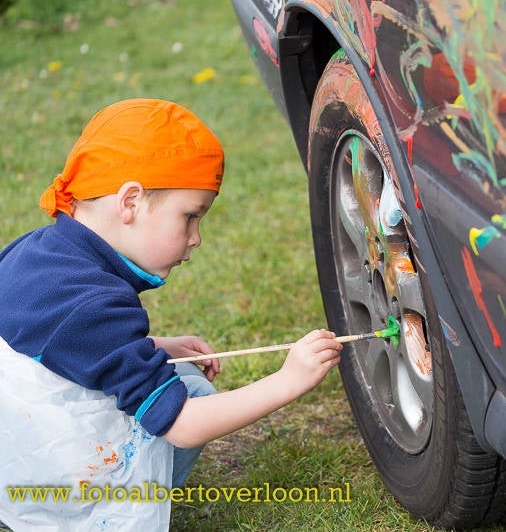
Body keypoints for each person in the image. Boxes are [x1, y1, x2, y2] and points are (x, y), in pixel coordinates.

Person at [0, 99, 342, 529]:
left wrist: (156, 348)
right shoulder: (98, 304)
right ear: (131, 202)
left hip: (12, 458)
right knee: (193, 392)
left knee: (176, 372)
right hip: (54, 487)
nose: (196, 239)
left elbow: (52, 346)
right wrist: (286, 381)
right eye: (190, 217)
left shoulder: (34, 253)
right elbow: (181, 425)